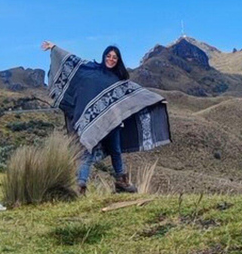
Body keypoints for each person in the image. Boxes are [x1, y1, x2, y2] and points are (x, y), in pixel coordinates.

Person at [41, 41, 171, 195]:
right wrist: (55, 48)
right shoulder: (92, 70)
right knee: (87, 151)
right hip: (91, 122)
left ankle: (121, 182)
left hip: (112, 123)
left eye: (114, 57)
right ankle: (80, 185)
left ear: (118, 60)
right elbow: (74, 61)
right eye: (108, 56)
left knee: (115, 150)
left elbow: (136, 94)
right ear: (104, 57)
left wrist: (157, 101)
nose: (111, 59)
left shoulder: (119, 79)